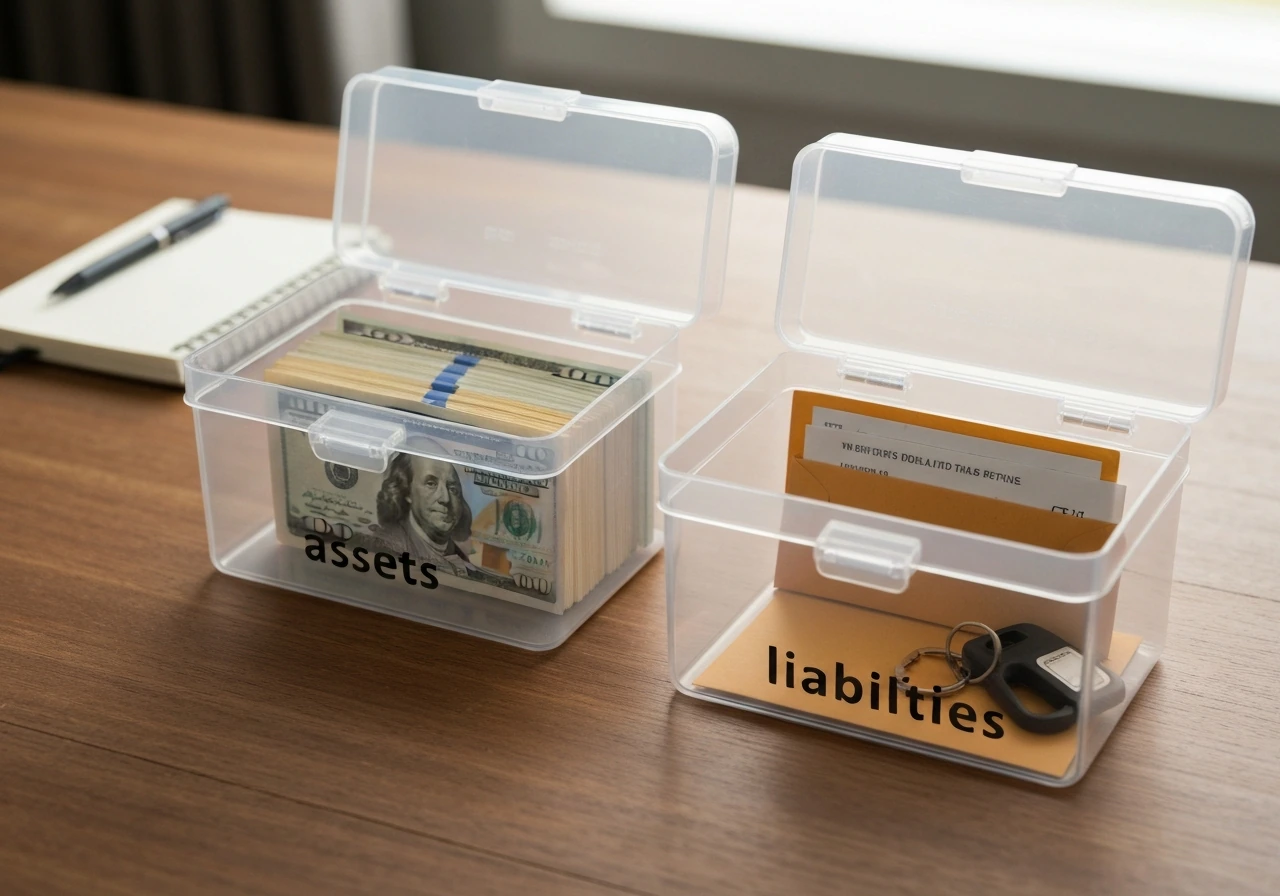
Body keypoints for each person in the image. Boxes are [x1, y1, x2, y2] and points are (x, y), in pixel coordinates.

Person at [374, 453, 475, 574]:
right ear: (407, 491)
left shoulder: (462, 560)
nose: (445, 498)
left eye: (453, 489)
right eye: (431, 484)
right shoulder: (385, 545)